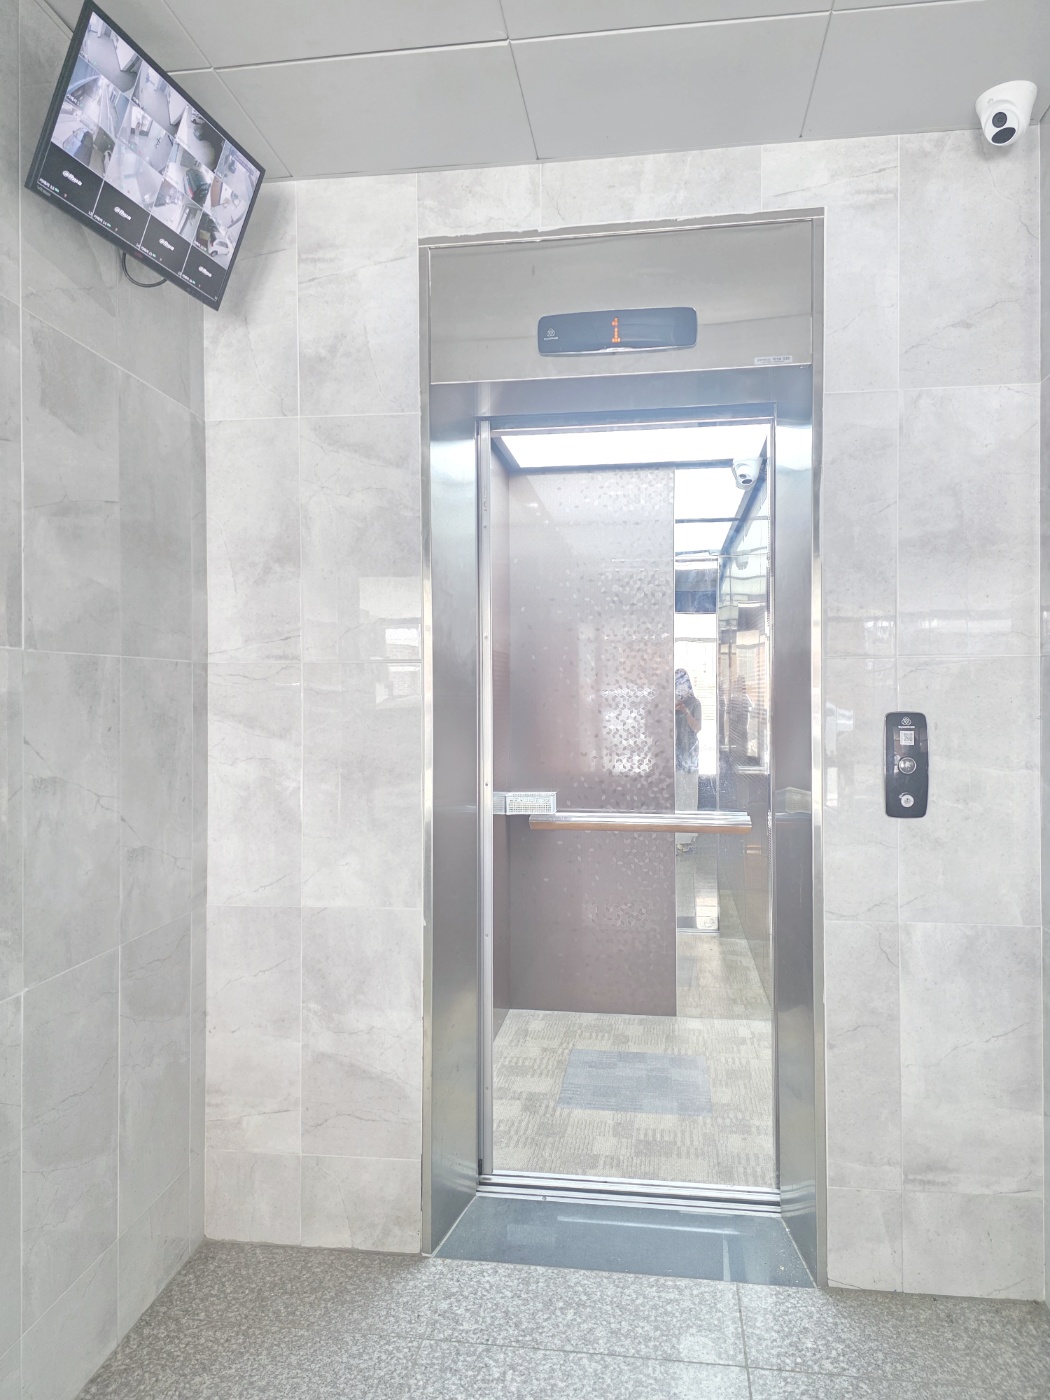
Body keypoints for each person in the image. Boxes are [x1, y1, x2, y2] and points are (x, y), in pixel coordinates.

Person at [674, 668, 702, 853]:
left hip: (690, 755)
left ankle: (686, 838)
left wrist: (685, 711)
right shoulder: (671, 703)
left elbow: (697, 727)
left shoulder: (695, 703)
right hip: (675, 755)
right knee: (677, 795)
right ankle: (675, 837)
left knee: (689, 795)